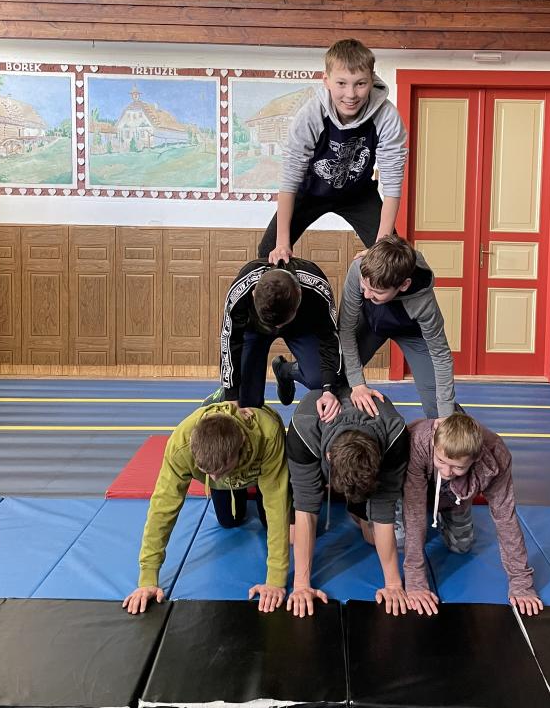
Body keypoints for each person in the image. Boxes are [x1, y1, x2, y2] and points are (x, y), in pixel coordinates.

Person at [122, 397, 290, 615]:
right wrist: (147, 578)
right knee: (229, 520)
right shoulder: (180, 446)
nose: (213, 477)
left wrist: (276, 580)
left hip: (260, 464)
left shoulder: (267, 435)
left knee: (269, 519)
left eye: (220, 471)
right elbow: (162, 509)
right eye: (208, 472)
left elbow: (277, 506)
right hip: (227, 466)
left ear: (240, 445)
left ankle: (250, 485)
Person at [259, 38, 407, 263]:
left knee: (390, 259)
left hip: (358, 194)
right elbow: (289, 179)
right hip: (310, 192)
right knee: (268, 252)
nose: (351, 94)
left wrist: (380, 247)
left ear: (372, 79)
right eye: (341, 83)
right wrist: (281, 244)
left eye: (360, 83)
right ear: (326, 81)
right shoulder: (311, 115)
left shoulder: (386, 116)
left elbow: (392, 183)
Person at [403, 411, 543, 618]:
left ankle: (451, 508)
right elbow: (414, 511)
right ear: (434, 443)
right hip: (415, 488)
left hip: (454, 497)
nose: (446, 472)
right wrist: (415, 580)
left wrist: (521, 582)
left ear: (475, 459)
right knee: (399, 539)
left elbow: (506, 518)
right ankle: (362, 517)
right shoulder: (420, 441)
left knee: (461, 546)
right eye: (441, 461)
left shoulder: (496, 457)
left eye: (457, 467)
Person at [285, 387, 410, 618]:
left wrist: (393, 584)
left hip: (367, 466)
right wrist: (301, 585)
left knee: (373, 537)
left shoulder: (395, 435)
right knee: (293, 535)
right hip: (316, 450)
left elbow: (383, 511)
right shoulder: (304, 427)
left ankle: (357, 510)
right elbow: (306, 508)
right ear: (329, 457)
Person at [339, 234, 456, 420]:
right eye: (364, 286)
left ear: (404, 285)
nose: (366, 295)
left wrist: (446, 419)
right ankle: (290, 371)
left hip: (410, 334)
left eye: (376, 291)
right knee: (333, 376)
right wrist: (357, 383)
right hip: (371, 325)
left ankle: (464, 435)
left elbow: (441, 356)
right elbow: (346, 330)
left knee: (438, 407)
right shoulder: (359, 268)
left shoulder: (424, 303)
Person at [221, 256, 343, 421]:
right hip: (255, 329)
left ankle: (285, 371)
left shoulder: (316, 287)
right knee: (244, 401)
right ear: (254, 293)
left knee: (322, 380)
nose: (277, 328)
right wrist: (231, 395)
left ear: (300, 294)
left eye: (280, 324)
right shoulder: (241, 289)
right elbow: (230, 340)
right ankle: (225, 395)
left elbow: (329, 340)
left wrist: (329, 389)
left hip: (300, 326)